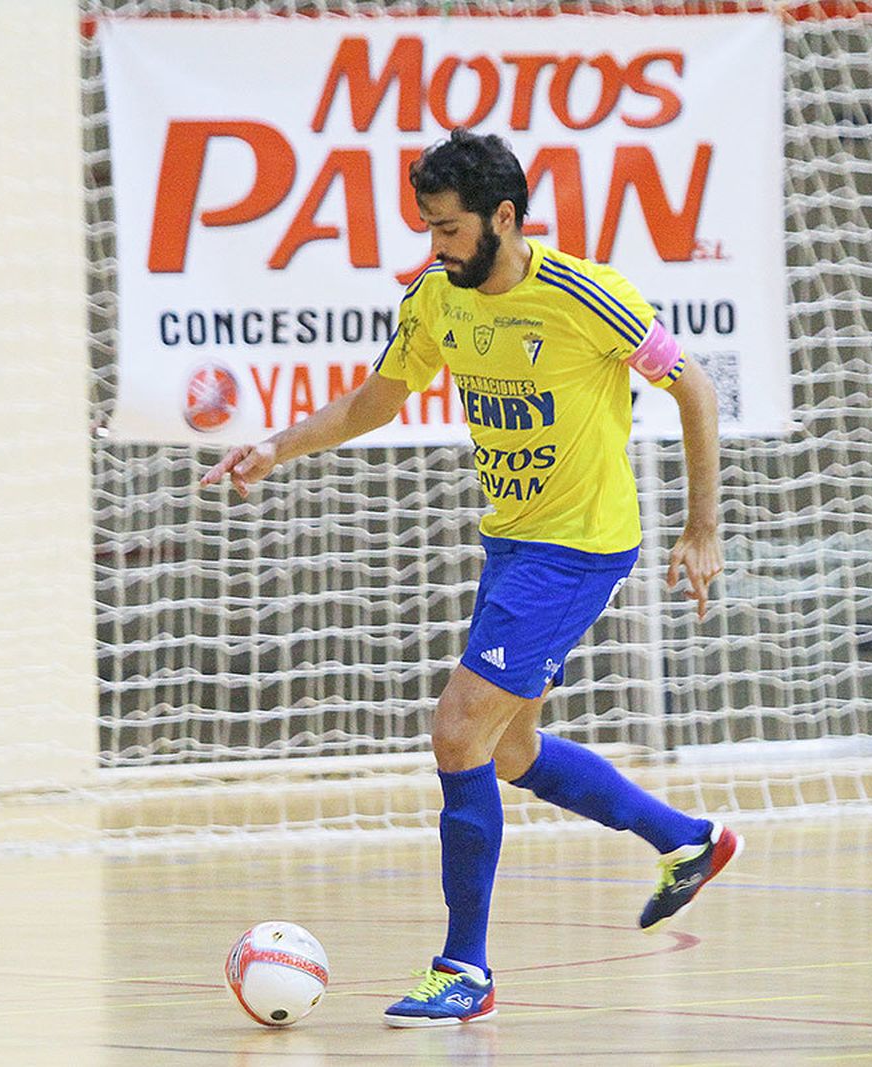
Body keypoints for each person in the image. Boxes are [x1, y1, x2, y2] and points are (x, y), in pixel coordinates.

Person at [201, 128, 740, 1028]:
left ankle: (466, 966)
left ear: (502, 217)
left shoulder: (584, 295)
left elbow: (695, 391)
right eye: (427, 228)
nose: (435, 247)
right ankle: (686, 840)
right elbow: (376, 398)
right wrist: (277, 446)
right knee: (511, 750)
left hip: (580, 548)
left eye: (448, 230)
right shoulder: (437, 301)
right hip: (512, 545)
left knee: (456, 735)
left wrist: (702, 528)